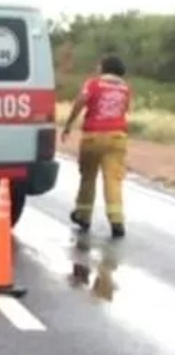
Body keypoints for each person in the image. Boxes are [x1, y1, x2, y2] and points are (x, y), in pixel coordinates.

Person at [61, 55, 131, 238]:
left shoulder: (93, 84)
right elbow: (124, 110)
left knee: (88, 177)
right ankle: (116, 221)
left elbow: (80, 102)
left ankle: (83, 216)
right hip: (117, 137)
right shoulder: (125, 88)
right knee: (113, 180)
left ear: (105, 68)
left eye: (99, 66)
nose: (97, 68)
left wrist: (68, 125)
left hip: (93, 136)